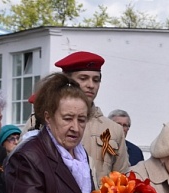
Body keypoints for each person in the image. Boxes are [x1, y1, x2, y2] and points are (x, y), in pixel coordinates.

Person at [4, 73, 95, 193]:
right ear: (48, 117)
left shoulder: (80, 154)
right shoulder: (28, 155)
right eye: (67, 118)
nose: (75, 127)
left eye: (81, 120)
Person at [54, 51, 129, 183]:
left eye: (96, 80)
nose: (91, 85)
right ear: (67, 80)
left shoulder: (113, 129)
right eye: (83, 78)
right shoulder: (45, 118)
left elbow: (122, 178)